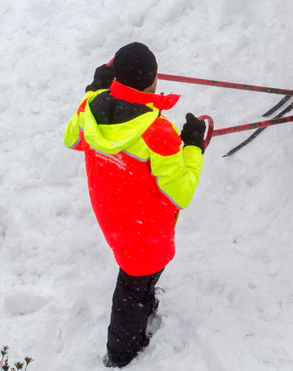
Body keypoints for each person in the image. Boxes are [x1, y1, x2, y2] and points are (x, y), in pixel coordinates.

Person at [63, 42, 210, 368]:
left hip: (112, 214)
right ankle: (121, 353)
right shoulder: (157, 133)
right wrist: (193, 147)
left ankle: (144, 301)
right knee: (132, 289)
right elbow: (180, 195)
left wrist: (94, 91)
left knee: (136, 280)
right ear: (153, 81)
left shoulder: (91, 109)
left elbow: (71, 138)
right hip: (146, 232)